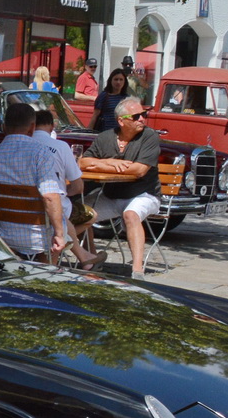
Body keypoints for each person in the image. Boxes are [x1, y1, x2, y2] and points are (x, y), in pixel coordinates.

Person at [78, 97, 163, 277]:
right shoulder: (105, 137)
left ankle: (137, 270)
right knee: (81, 213)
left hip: (144, 195)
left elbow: (139, 170)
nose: (142, 119)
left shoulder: (149, 136)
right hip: (111, 195)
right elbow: (83, 162)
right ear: (121, 121)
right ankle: (91, 257)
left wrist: (99, 165)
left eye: (144, 114)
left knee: (130, 214)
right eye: (137, 116)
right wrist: (108, 163)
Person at [0, 102, 67, 260]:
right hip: (39, 238)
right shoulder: (41, 154)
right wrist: (59, 233)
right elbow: (50, 196)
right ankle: (46, 271)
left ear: (3, 126)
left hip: (3, 235)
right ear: (32, 127)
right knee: (61, 225)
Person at [33, 108, 102, 268]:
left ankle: (86, 257)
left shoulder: (23, 147)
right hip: (51, 209)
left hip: (19, 210)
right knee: (89, 214)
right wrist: (64, 193)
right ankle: (83, 256)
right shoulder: (61, 147)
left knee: (59, 212)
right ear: (51, 127)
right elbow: (78, 187)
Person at [91, 67, 131, 132]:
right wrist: (88, 132)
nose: (118, 82)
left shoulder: (127, 98)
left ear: (124, 82)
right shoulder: (103, 96)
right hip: (105, 133)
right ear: (111, 81)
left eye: (121, 79)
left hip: (121, 134)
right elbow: (95, 116)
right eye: (116, 79)